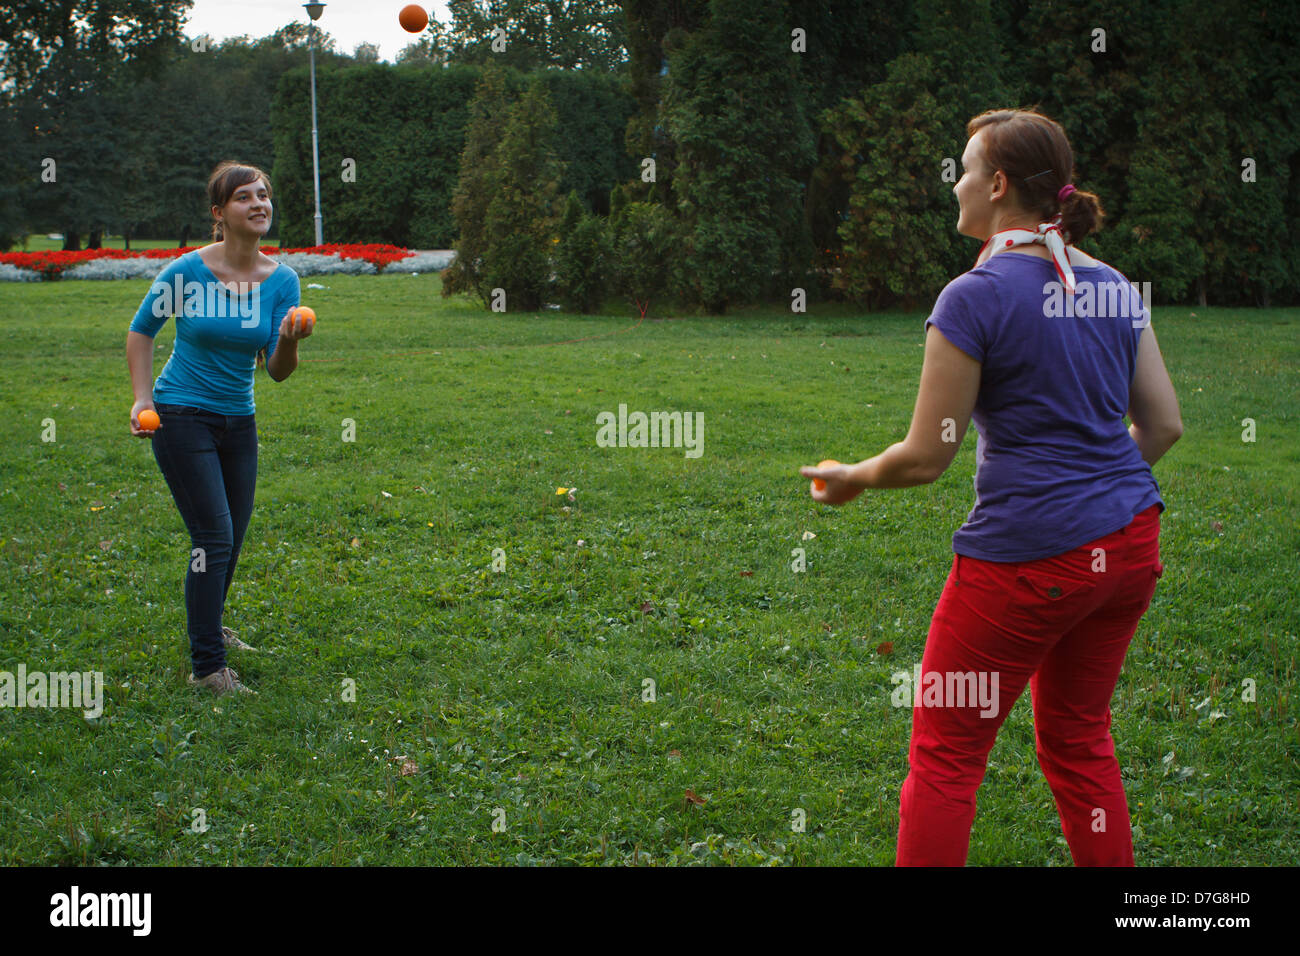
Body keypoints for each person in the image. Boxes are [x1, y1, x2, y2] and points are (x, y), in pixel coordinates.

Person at [802, 108, 1183, 865]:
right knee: (1079, 739)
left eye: (965, 170)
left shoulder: (972, 297)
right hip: (1131, 544)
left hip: (1026, 563)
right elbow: (1164, 426)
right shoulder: (1109, 284)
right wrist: (1099, 495)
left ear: (998, 184)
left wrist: (853, 477)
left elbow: (924, 457)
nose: (957, 187)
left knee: (946, 755)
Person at [126, 161, 313, 695]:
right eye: (243, 198)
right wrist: (142, 398)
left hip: (240, 420)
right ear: (219, 213)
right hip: (181, 414)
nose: (258, 204)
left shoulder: (283, 280)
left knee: (230, 538)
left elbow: (276, 371)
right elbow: (141, 334)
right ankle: (207, 667)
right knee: (212, 535)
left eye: (264, 195)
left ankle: (210, 627)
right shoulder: (186, 272)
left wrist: (291, 339)